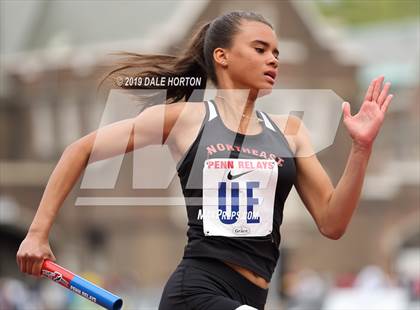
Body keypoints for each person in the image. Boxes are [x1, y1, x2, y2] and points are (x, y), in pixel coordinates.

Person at [16, 11, 393, 310]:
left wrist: (361, 149)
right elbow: (78, 150)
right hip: (196, 292)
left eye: (276, 52)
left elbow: (333, 222)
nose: (273, 59)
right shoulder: (184, 119)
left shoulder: (290, 131)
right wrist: (37, 233)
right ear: (222, 56)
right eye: (260, 49)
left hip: (252, 297)